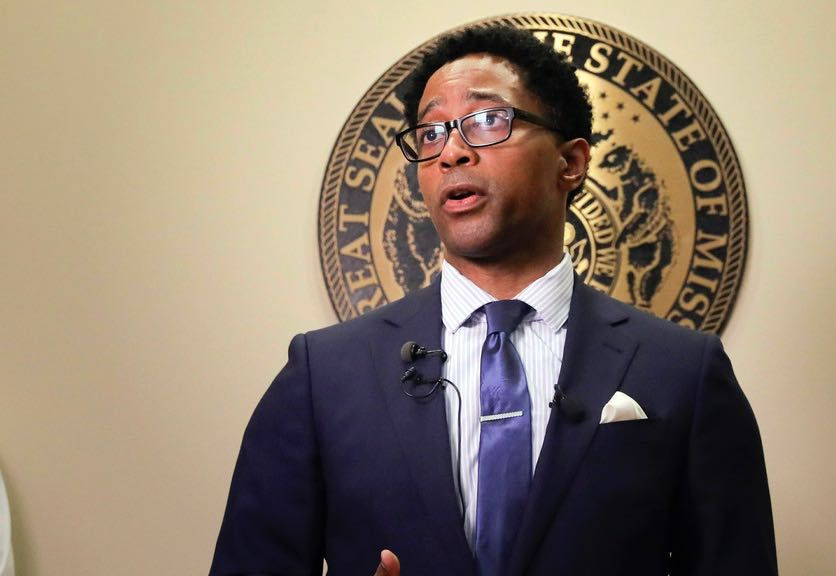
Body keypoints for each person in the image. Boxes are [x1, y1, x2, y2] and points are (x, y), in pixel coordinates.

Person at [211, 25, 777, 576]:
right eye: (431, 134)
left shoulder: (685, 370)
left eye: (486, 121)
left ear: (571, 162)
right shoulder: (320, 375)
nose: (451, 152)